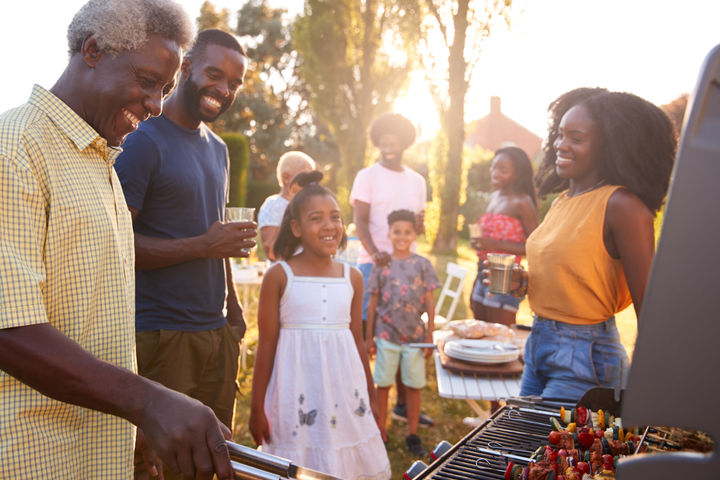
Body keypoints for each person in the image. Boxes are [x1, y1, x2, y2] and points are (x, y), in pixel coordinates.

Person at [0, 1, 236, 479]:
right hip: (36, 453)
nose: (155, 105)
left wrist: (135, 421)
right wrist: (147, 400)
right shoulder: (15, 147)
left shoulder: (103, 159)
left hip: (97, 449)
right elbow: (10, 331)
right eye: (147, 82)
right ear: (93, 50)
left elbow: (94, 316)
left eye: (166, 89)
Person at [114, 28, 254, 476]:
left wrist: (233, 309)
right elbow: (116, 247)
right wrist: (204, 245)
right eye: (215, 74)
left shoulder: (219, 149)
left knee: (212, 461)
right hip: (161, 336)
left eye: (234, 83)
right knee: (161, 466)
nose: (224, 90)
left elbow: (219, 237)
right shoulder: (142, 140)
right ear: (187, 68)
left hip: (217, 335)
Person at [500, 88, 677, 401]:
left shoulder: (623, 206)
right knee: (522, 444)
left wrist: (648, 384)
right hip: (538, 345)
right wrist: (522, 283)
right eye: (560, 134)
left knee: (546, 446)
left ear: (608, 147)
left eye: (576, 138)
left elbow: (650, 305)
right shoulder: (562, 203)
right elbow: (576, 278)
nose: (560, 145)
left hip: (586, 359)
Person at [250, 171, 391, 480]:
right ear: (296, 228)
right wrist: (256, 407)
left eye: (336, 217)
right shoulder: (279, 276)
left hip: (345, 393)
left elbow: (357, 342)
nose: (329, 225)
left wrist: (370, 397)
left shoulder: (352, 277)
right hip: (294, 393)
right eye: (317, 218)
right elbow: (268, 345)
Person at [350, 112, 434, 427]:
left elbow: (416, 226)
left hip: (406, 269)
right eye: (383, 140)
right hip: (373, 265)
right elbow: (359, 220)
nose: (389, 146)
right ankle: (363, 404)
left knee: (405, 333)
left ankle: (401, 405)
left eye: (394, 140)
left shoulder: (417, 181)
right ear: (378, 142)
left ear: (403, 142)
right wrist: (376, 252)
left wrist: (417, 231)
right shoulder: (367, 176)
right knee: (368, 334)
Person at [365, 209, 439, 457]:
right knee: (383, 383)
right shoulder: (382, 265)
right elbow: (372, 303)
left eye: (407, 231)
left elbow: (429, 302)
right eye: (397, 231)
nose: (402, 236)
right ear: (389, 233)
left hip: (415, 337)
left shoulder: (422, 265)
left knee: (413, 385)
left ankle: (413, 433)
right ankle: (380, 431)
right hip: (386, 334)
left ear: (414, 234)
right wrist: (368, 337)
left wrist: (430, 334)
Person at [470, 146, 538, 326]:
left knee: (497, 333)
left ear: (517, 174)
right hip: (482, 270)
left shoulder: (522, 202)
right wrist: (478, 242)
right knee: (478, 327)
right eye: (493, 167)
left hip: (505, 275)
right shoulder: (494, 197)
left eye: (503, 170)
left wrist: (493, 243)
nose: (495, 173)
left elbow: (534, 247)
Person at [258, 150, 316, 261]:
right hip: (285, 273)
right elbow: (271, 251)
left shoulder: (308, 205)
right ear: (286, 178)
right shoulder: (274, 204)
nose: (310, 183)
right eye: (305, 177)